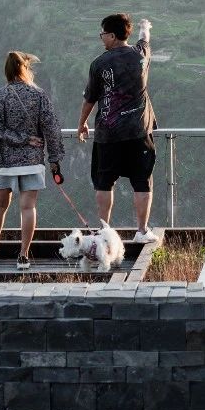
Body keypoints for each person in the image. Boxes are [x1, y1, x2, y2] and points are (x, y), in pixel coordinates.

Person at [77, 14, 159, 244]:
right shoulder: (140, 54)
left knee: (104, 182)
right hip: (139, 131)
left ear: (112, 36)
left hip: (108, 132)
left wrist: (82, 123)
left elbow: (90, 99)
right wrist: (145, 26)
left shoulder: (100, 63)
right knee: (142, 181)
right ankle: (141, 231)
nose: (101, 38)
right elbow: (145, 39)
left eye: (103, 33)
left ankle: (104, 232)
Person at [0, 51, 64, 270]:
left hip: (4, 161)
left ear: (7, 71)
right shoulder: (38, 95)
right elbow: (51, 128)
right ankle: (23, 256)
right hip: (32, 159)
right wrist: (54, 159)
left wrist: (18, 139)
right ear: (25, 69)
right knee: (27, 208)